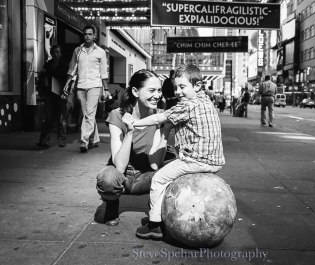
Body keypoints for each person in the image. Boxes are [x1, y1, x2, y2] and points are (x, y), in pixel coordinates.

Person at [125, 64, 225, 239]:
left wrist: (135, 122)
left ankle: (154, 225)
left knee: (158, 179)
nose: (178, 92)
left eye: (183, 87)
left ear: (197, 86)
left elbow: (158, 117)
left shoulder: (187, 105)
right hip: (214, 162)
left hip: (195, 160)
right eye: (176, 87)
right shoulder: (206, 101)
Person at [95, 69, 175, 226]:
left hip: (147, 176)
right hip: (123, 176)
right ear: (135, 91)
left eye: (159, 90)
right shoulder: (117, 115)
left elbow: (155, 164)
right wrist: (130, 132)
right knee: (108, 178)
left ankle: (158, 209)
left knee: (178, 167)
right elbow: (120, 165)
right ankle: (112, 206)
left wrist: (165, 130)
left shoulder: (160, 116)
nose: (157, 95)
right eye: (151, 90)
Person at [61, 24, 110, 153]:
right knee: (87, 114)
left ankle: (84, 140)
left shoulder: (101, 52)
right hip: (81, 86)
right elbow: (72, 69)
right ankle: (95, 139)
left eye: (90, 34)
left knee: (89, 113)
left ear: (94, 36)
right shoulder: (78, 50)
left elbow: (103, 72)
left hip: (94, 85)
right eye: (85, 34)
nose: (87, 36)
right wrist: (67, 84)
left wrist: (106, 89)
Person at [36, 45, 69, 149]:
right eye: (54, 52)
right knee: (48, 118)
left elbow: (67, 80)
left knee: (61, 119)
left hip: (60, 94)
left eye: (57, 52)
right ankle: (43, 141)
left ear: (60, 53)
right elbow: (42, 79)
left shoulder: (64, 66)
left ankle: (62, 141)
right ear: (51, 53)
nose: (55, 54)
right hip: (49, 94)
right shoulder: (47, 65)